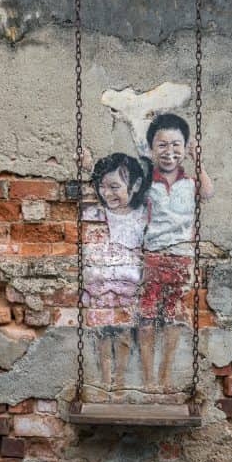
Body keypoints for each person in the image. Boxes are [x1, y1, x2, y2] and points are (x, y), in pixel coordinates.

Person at [129, 113, 214, 389]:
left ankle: (165, 375)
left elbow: (208, 192)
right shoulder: (146, 183)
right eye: (162, 145)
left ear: (186, 147)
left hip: (181, 258)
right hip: (153, 257)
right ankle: (148, 378)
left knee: (173, 315)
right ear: (151, 149)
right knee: (148, 314)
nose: (169, 152)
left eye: (176, 145)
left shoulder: (190, 183)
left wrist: (197, 159)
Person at [83, 153, 149, 389]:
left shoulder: (140, 216)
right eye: (102, 187)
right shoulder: (94, 215)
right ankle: (104, 381)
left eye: (114, 187)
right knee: (102, 333)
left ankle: (120, 380)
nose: (107, 193)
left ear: (135, 186)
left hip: (128, 286)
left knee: (123, 334)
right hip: (100, 285)